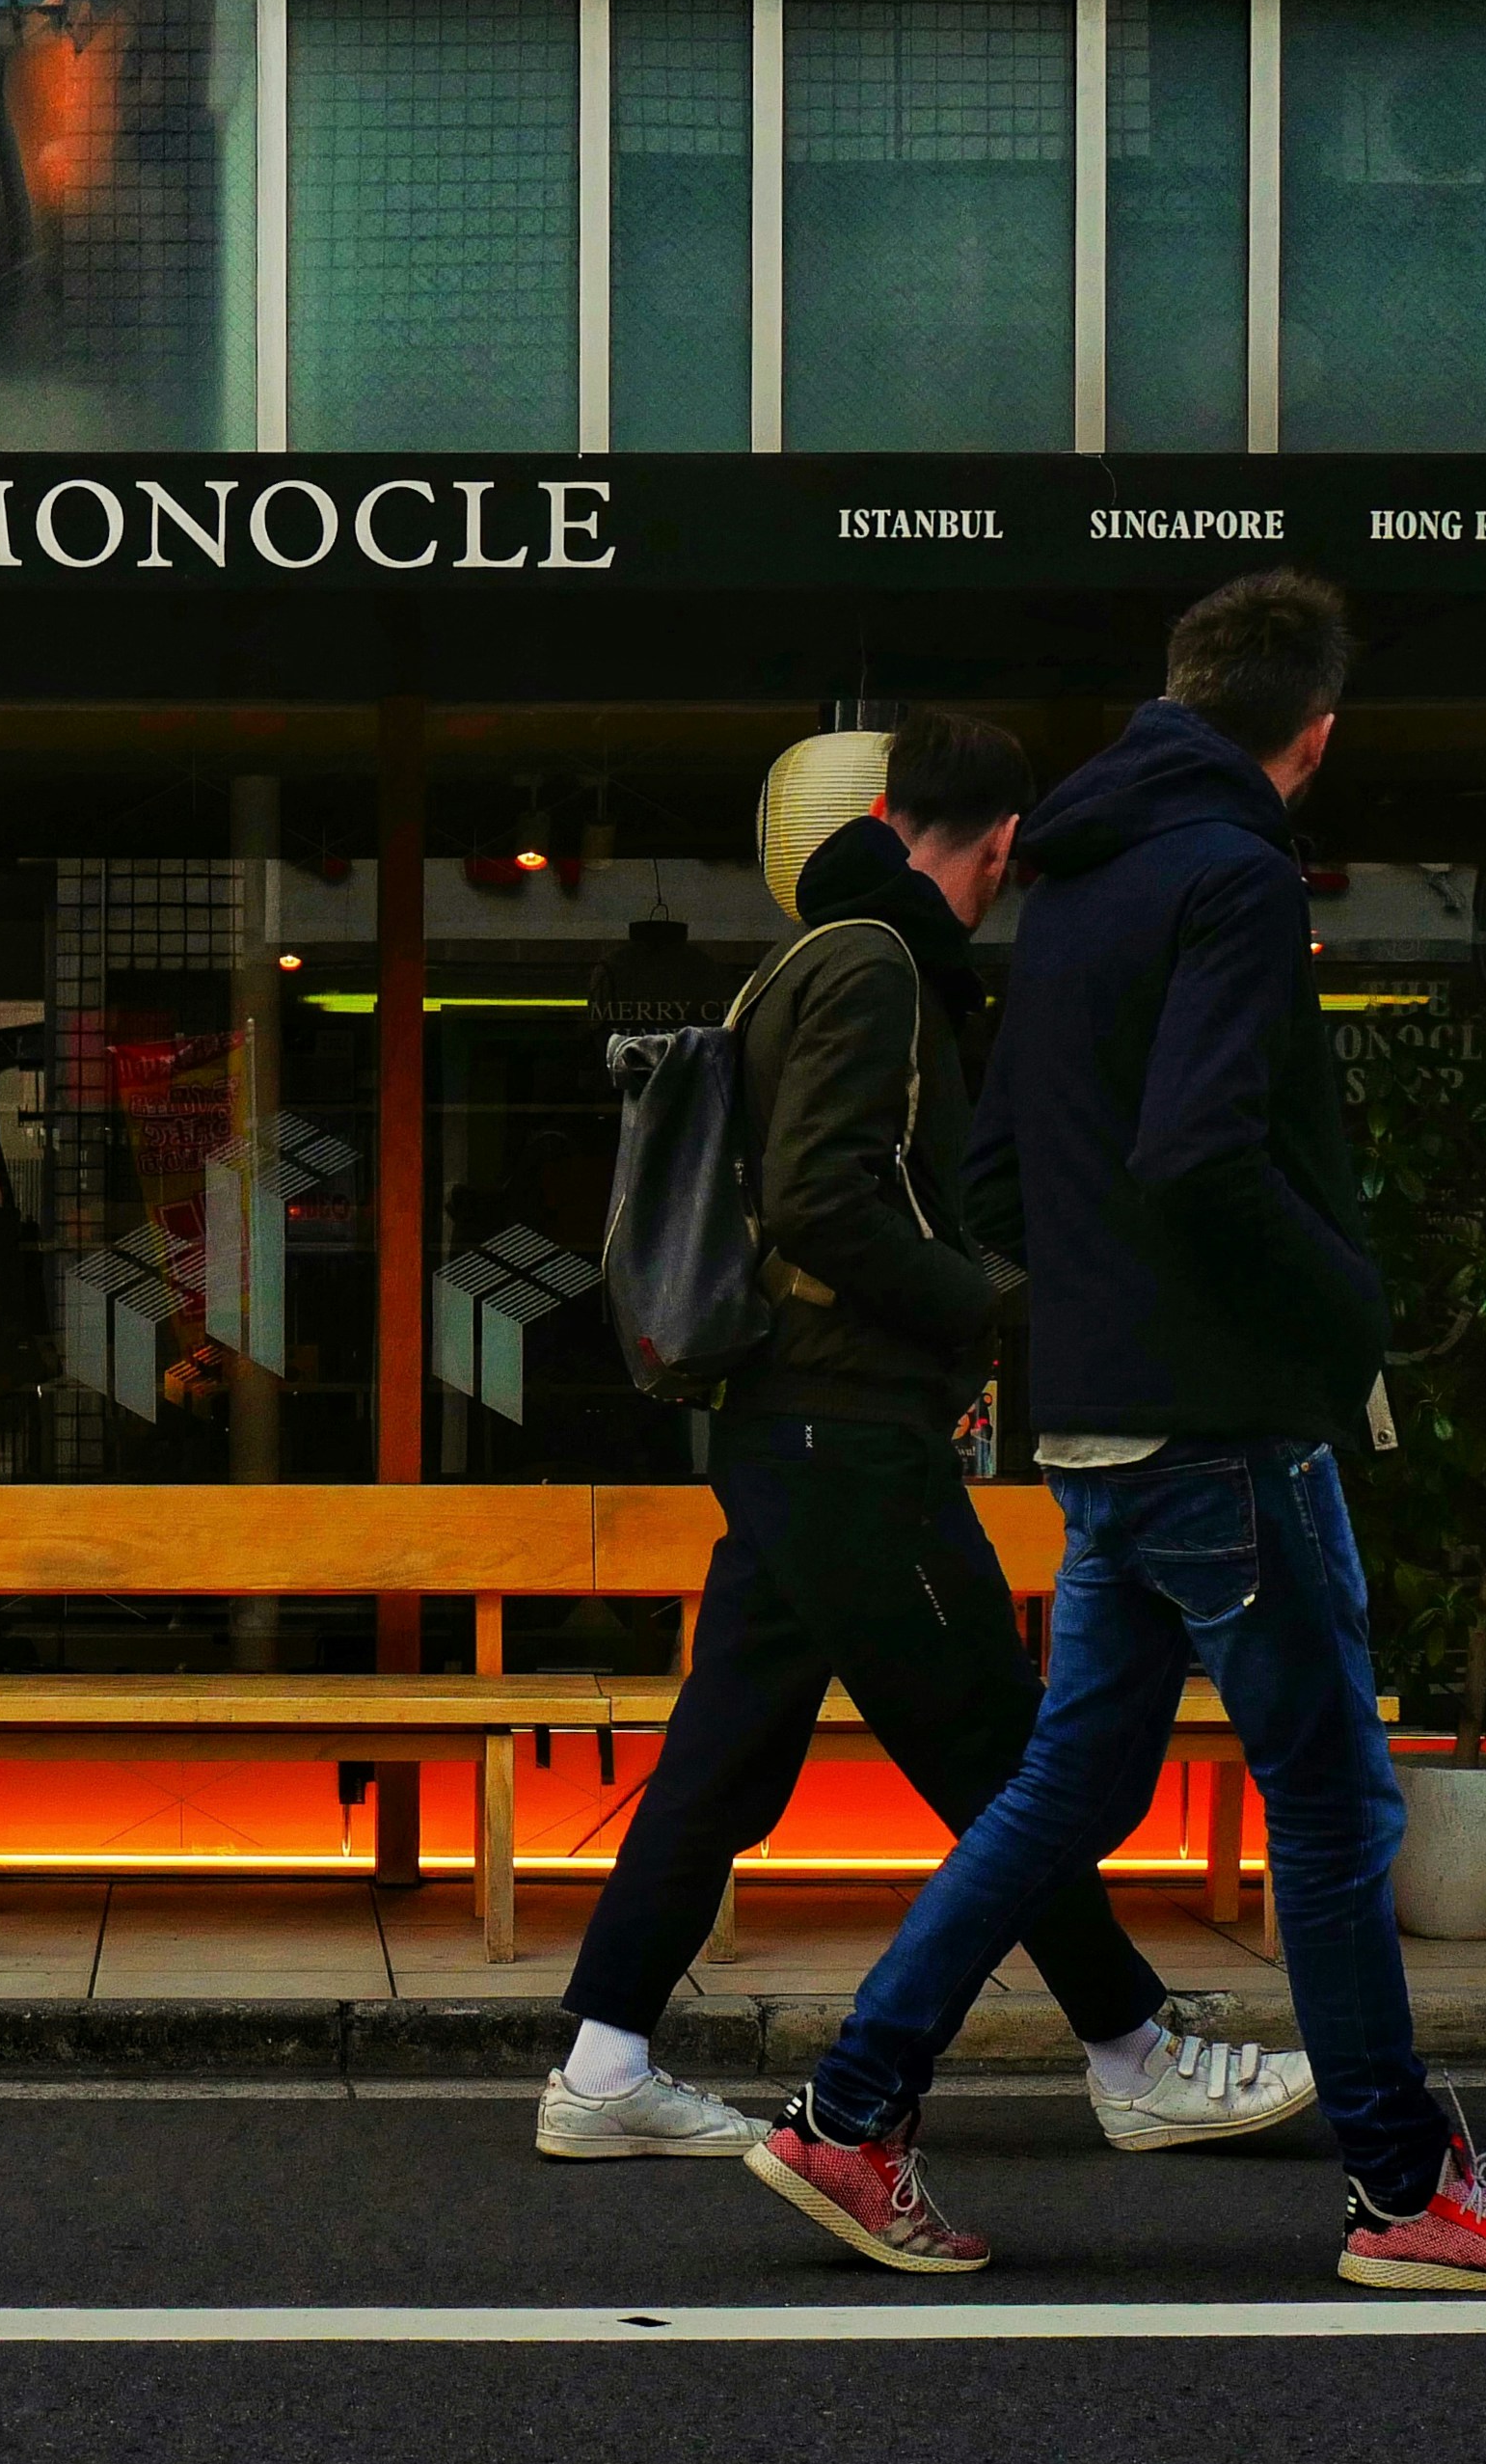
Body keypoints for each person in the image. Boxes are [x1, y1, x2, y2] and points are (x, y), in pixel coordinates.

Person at [743, 577, 1486, 2292]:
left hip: (1100, 1420)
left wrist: (1081, 1328)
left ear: (1183, 692)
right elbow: (1205, 1148)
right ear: (1316, 734)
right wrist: (1347, 1309)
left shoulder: (1071, 878)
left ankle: (849, 2115)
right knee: (1335, 1807)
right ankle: (1405, 2194)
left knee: (1068, 1786)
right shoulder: (1234, 875)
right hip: (1228, 1424)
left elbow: (998, 1177)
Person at [538, 708, 1313, 2163]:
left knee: (722, 1758)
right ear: (1003, 843)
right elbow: (826, 1198)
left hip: (793, 1428)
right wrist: (986, 1307)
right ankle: (1134, 2052)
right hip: (846, 1432)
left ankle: (603, 2064)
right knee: (1003, 1751)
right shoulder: (880, 965)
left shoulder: (811, 956)